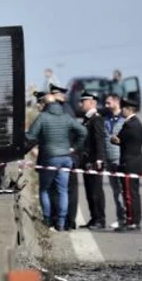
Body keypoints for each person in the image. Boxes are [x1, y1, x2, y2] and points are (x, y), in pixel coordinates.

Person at [26, 93, 87, 231]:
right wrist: (75, 147)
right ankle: (61, 223)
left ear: (46, 104)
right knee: (63, 191)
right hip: (66, 157)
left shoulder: (43, 117)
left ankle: (47, 220)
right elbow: (83, 131)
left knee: (45, 189)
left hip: (50, 158)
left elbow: (30, 135)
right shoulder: (66, 117)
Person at [110, 98, 142, 231]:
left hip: (129, 163)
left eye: (123, 108)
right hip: (133, 162)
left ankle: (132, 221)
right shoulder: (135, 123)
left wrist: (114, 138)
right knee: (133, 193)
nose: (122, 110)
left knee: (129, 194)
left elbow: (118, 139)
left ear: (129, 109)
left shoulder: (131, 125)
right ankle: (134, 220)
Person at [50, 83, 80, 230]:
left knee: (64, 190)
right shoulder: (66, 109)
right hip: (69, 155)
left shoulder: (63, 111)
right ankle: (69, 221)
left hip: (65, 156)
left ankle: (66, 221)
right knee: (68, 190)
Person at [78, 91, 107, 230]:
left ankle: (100, 219)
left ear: (92, 103)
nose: (81, 104)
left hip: (94, 161)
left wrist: (100, 159)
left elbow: (99, 140)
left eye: (83, 101)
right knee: (89, 192)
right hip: (87, 161)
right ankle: (94, 217)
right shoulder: (87, 119)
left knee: (96, 192)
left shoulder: (96, 119)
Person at [104, 94, 127, 228]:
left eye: (108, 103)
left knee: (124, 191)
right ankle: (120, 218)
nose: (106, 106)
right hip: (109, 159)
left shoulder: (124, 120)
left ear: (117, 102)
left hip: (120, 159)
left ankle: (127, 218)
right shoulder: (106, 119)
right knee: (116, 191)